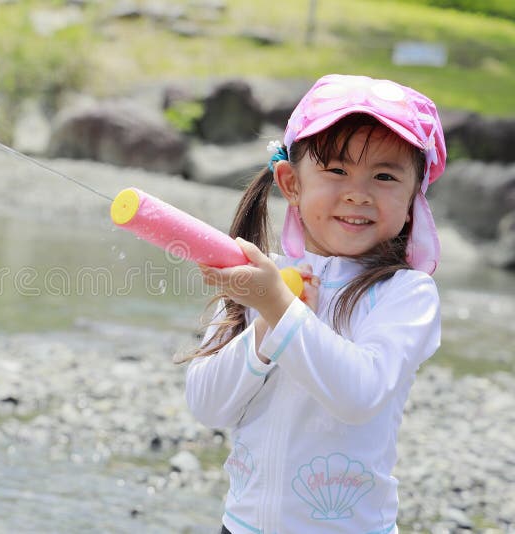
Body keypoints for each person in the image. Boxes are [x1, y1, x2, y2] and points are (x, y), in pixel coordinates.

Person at [182, 74, 445, 533]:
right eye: (336, 170)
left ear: (412, 202)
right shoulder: (261, 278)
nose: (358, 193)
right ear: (291, 182)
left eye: (385, 176)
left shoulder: (407, 294)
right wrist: (266, 320)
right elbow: (208, 405)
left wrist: (281, 309)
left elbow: (358, 395)